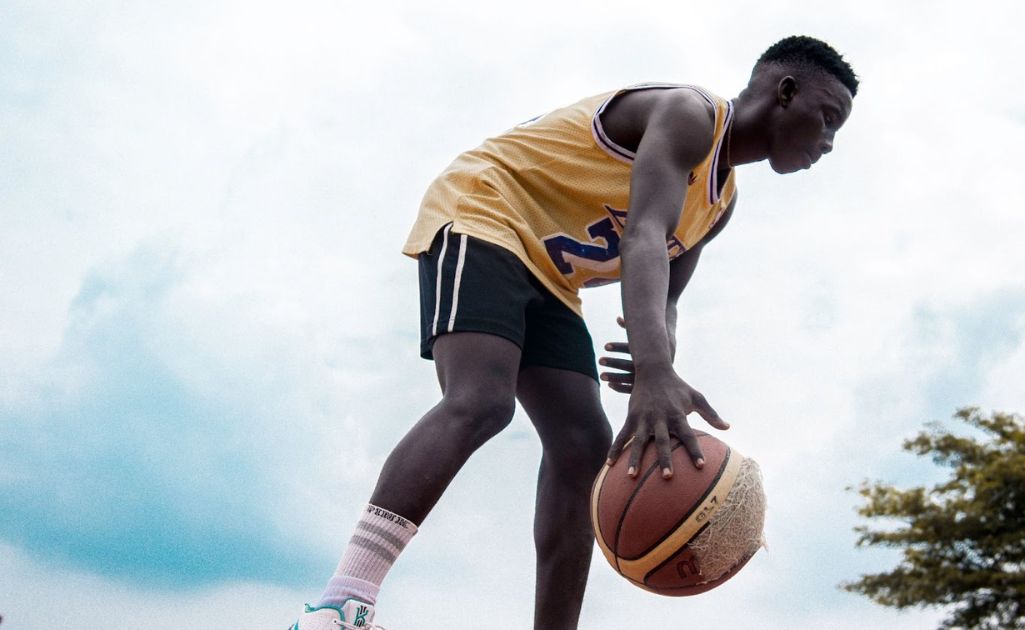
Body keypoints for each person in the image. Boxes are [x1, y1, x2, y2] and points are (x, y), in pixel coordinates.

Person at [291, 34, 857, 630]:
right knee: (482, 400)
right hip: (487, 209)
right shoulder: (691, 115)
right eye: (828, 119)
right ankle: (342, 601)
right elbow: (642, 237)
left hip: (549, 275)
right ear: (785, 91)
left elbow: (665, 298)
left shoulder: (718, 205)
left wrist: (654, 362)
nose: (827, 142)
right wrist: (656, 371)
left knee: (585, 445)